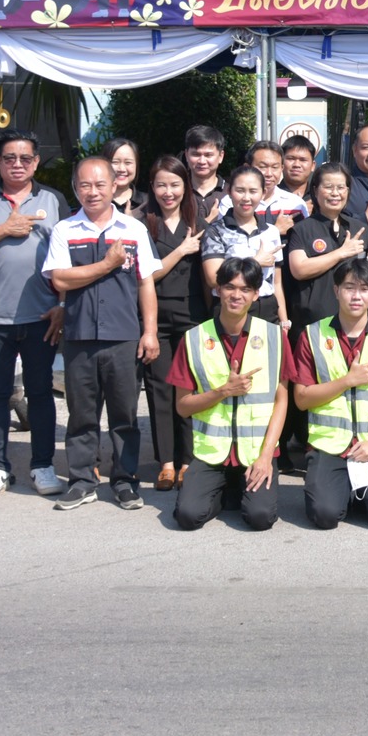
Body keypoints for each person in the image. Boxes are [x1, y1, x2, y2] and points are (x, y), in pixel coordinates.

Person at [43, 156, 160, 511]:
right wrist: (107, 264)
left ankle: (125, 481)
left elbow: (146, 283)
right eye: (84, 185)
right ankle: (82, 481)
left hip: (124, 336)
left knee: (125, 415)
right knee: (81, 415)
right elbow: (60, 279)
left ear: (114, 186)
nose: (92, 192)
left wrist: (150, 332)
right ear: (75, 188)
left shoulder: (133, 229)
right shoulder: (65, 229)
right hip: (79, 336)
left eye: (99, 185)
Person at [0, 130, 66, 498]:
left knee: (41, 393)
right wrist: (2, 230)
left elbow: (68, 255)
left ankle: (42, 465)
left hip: (42, 316)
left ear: (36, 162)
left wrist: (62, 305)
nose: (17, 164)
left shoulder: (53, 200)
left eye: (25, 158)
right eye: (9, 158)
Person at [172, 257, 291, 531]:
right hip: (212, 454)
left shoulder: (275, 337)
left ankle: (239, 489)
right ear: (218, 290)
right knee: (188, 516)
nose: (237, 295)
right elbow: (183, 407)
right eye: (229, 287)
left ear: (256, 294)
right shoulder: (193, 339)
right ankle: (226, 492)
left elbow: (281, 399)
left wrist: (266, 457)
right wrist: (223, 391)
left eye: (245, 289)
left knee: (260, 518)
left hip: (256, 452)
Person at [287, 257, 368, 529]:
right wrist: (346, 381)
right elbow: (301, 399)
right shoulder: (312, 335)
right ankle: (343, 489)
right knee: (325, 515)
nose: (356, 296)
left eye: (364, 289)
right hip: (329, 444)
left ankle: (358, 490)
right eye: (349, 287)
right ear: (336, 290)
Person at [143, 155, 204, 492]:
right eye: (161, 185)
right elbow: (147, 275)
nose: (168, 192)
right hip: (156, 315)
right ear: (152, 188)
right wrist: (181, 250)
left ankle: (188, 461)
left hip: (193, 314)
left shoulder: (199, 220)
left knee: (191, 388)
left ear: (186, 186)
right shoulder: (142, 224)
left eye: (175, 184)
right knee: (160, 389)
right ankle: (166, 462)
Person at [201, 166, 288, 327]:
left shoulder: (271, 231)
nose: (246, 198)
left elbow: (276, 282)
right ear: (229, 191)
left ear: (263, 193)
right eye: (240, 190)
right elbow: (213, 278)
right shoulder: (216, 231)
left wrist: (284, 320)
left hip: (266, 308)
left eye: (253, 191)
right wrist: (255, 262)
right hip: (230, 307)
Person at [285, 163, 368, 331]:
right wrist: (341, 253)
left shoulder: (358, 228)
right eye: (328, 187)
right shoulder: (302, 229)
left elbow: (367, 275)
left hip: (352, 323)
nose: (335, 193)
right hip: (311, 323)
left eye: (341, 187)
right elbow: (299, 269)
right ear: (315, 191)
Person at [248, 141, 308, 229]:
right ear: (248, 167)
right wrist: (276, 230)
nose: (269, 174)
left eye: (275, 167)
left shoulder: (296, 204)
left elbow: (306, 236)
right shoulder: (235, 203)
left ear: (282, 168)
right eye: (263, 167)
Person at [181, 124, 227, 222]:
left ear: (221, 156)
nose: (202, 161)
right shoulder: (177, 192)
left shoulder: (231, 194)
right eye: (196, 154)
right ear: (186, 155)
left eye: (208, 155)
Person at [104, 137, 144, 221]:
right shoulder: (96, 202)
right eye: (115, 162)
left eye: (128, 162)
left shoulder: (148, 203)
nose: (122, 169)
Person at [279, 135, 317, 208]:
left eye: (303, 160)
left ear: (313, 165)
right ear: (281, 163)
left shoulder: (319, 196)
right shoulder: (269, 197)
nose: (296, 165)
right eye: (291, 159)